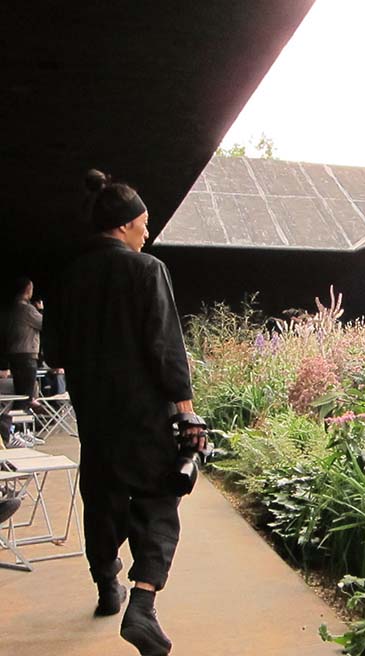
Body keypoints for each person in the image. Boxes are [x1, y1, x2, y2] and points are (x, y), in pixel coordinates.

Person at [44, 169, 205, 656]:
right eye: (144, 223)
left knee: (102, 500)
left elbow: (52, 353)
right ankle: (143, 603)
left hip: (94, 417)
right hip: (145, 416)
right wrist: (187, 413)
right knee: (159, 502)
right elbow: (165, 347)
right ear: (123, 226)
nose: (147, 233)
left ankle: (105, 587)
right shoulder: (147, 270)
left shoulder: (66, 277)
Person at [5, 277, 45, 411]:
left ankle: (15, 426)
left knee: (20, 394)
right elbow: (44, 324)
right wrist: (40, 310)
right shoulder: (27, 309)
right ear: (28, 289)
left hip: (14, 355)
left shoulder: (12, 308)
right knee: (26, 397)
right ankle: (20, 427)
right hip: (26, 355)